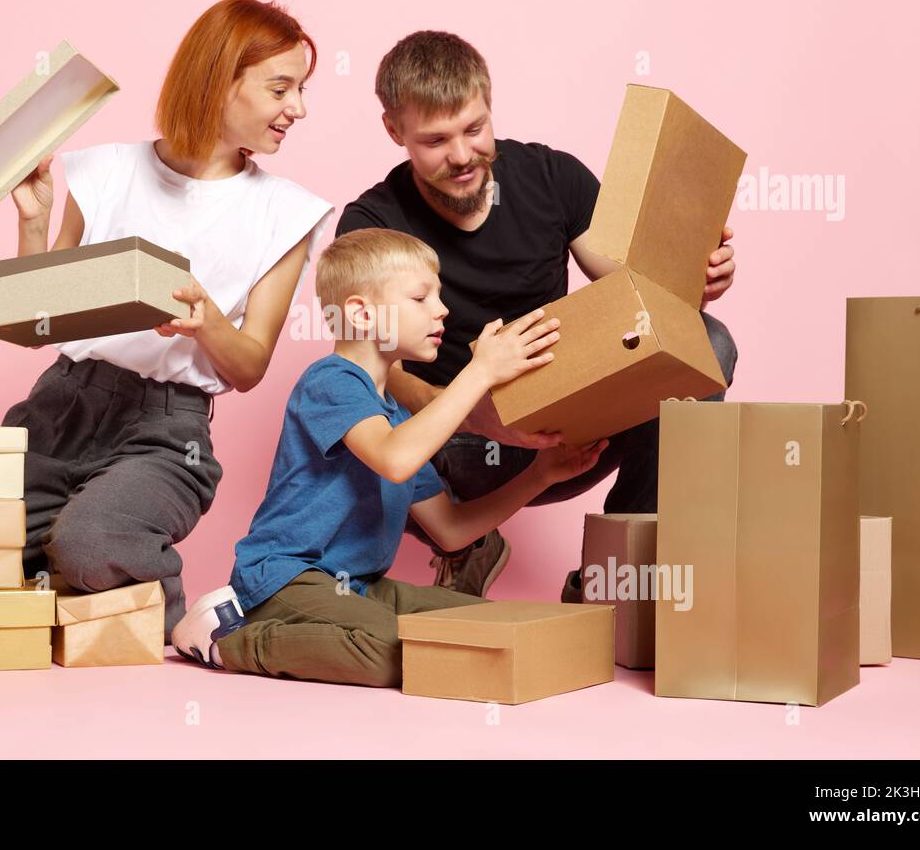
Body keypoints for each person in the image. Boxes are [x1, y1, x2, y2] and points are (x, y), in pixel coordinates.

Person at [336, 30, 740, 596]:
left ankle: (611, 581)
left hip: (571, 423)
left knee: (706, 342)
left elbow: (641, 296)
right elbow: (373, 374)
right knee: (360, 426)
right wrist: (474, 413)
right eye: (435, 139)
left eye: (474, 130)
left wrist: (693, 281)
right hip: (458, 445)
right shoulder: (370, 227)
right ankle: (467, 542)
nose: (460, 156)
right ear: (394, 131)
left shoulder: (552, 178)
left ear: (490, 107)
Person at [0, 0, 334, 641]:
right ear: (218, 79)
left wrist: (206, 318)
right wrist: (34, 219)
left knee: (91, 543)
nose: (299, 108)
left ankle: (180, 619)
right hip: (60, 406)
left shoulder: (283, 214)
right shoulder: (106, 171)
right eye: (281, 88)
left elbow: (249, 368)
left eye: (301, 89)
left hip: (164, 432)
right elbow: (35, 318)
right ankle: (77, 604)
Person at [171, 229, 605, 686]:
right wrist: (480, 372)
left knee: (492, 628)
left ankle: (336, 628)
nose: (442, 309)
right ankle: (226, 640)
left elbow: (452, 532)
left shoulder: (398, 420)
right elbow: (393, 460)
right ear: (360, 314)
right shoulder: (330, 382)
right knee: (396, 654)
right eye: (421, 297)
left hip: (362, 585)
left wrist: (541, 474)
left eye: (438, 296)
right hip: (285, 580)